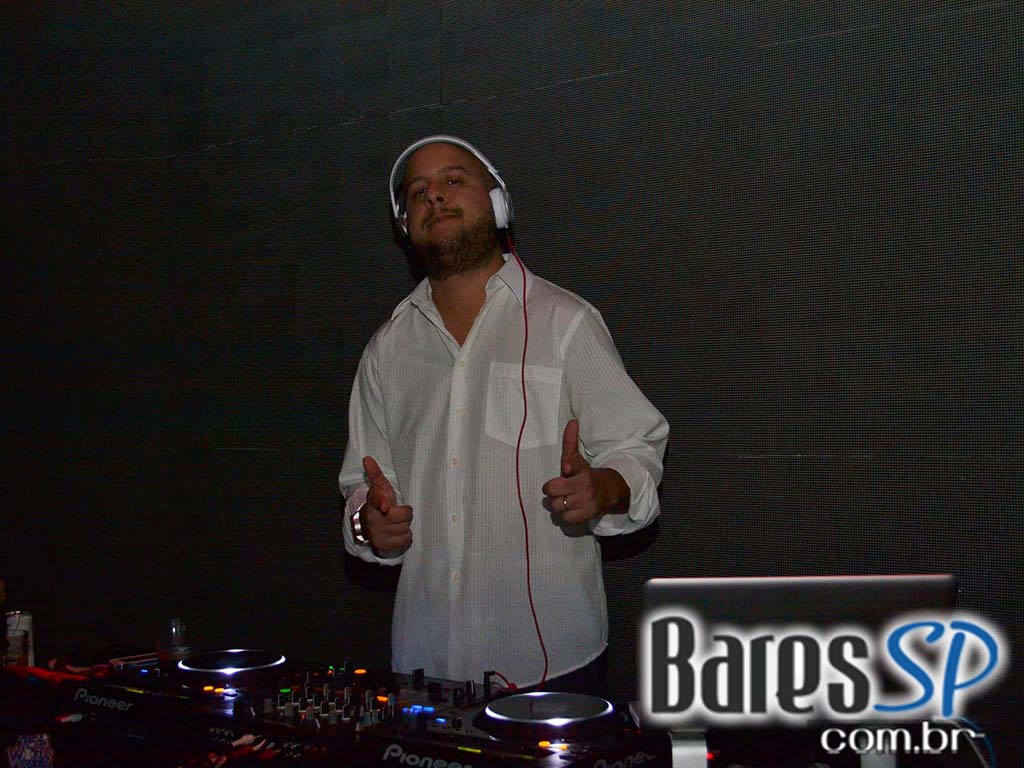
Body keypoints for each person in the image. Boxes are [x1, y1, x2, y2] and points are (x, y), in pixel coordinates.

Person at [339, 135, 668, 694]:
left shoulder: (566, 322)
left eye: (453, 180)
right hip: (423, 663)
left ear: (497, 204)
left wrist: (604, 487)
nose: (434, 197)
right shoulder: (386, 351)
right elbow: (360, 485)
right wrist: (367, 523)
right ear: (405, 227)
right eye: (418, 192)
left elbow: (636, 446)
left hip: (553, 665)